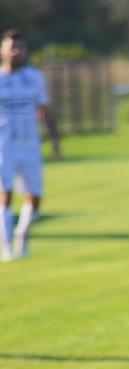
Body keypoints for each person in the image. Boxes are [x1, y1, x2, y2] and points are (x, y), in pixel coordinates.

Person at [0, 29, 62, 261]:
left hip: (29, 146)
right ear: (2, 51)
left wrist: (55, 141)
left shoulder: (34, 77)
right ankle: (7, 249)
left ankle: (22, 235)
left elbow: (44, 109)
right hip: (4, 146)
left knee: (35, 198)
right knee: (4, 195)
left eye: (20, 47)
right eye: (11, 47)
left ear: (26, 50)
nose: (16, 51)